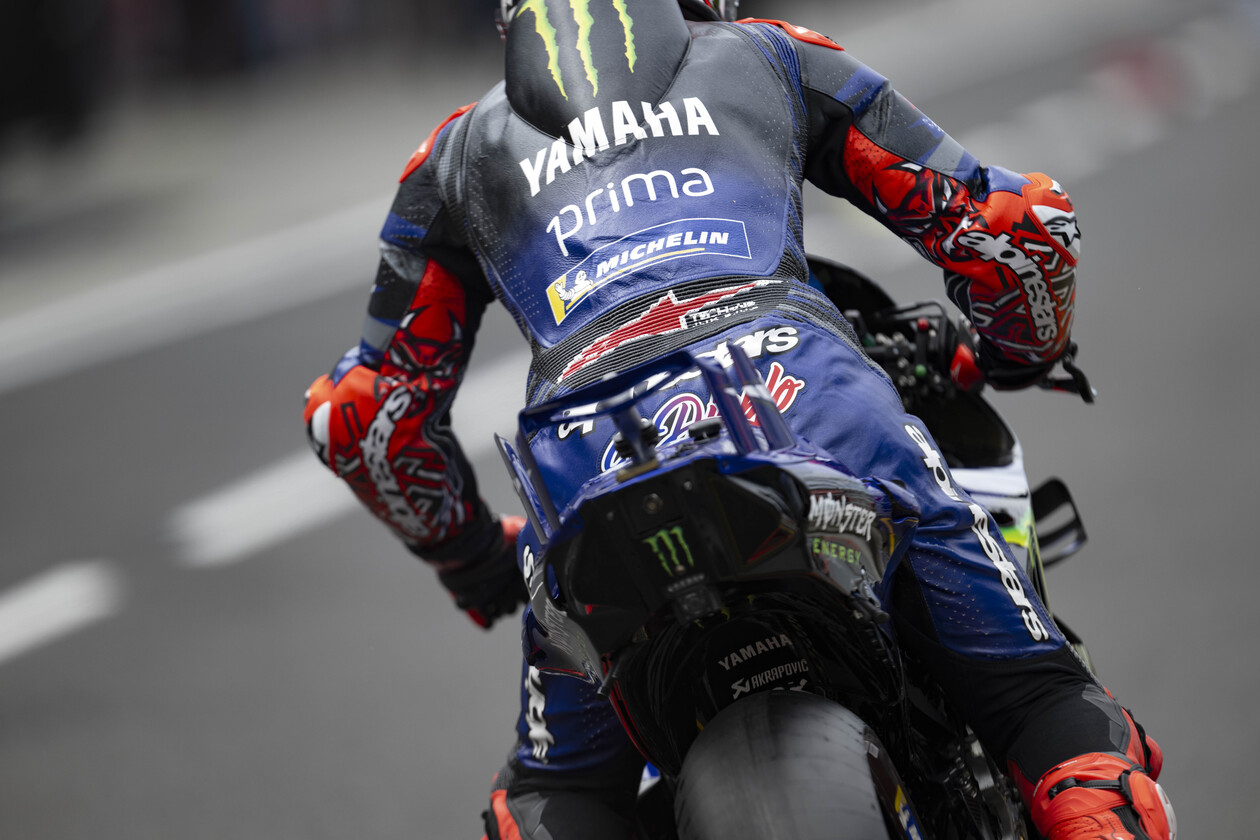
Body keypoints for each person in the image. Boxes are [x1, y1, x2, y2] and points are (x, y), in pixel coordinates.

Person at [302, 1, 1176, 838]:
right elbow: (1016, 230)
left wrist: (477, 561)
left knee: (552, 796)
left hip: (584, 467)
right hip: (807, 395)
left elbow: (362, 420)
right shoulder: (772, 53)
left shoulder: (451, 156)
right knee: (1037, 700)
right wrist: (1014, 351)